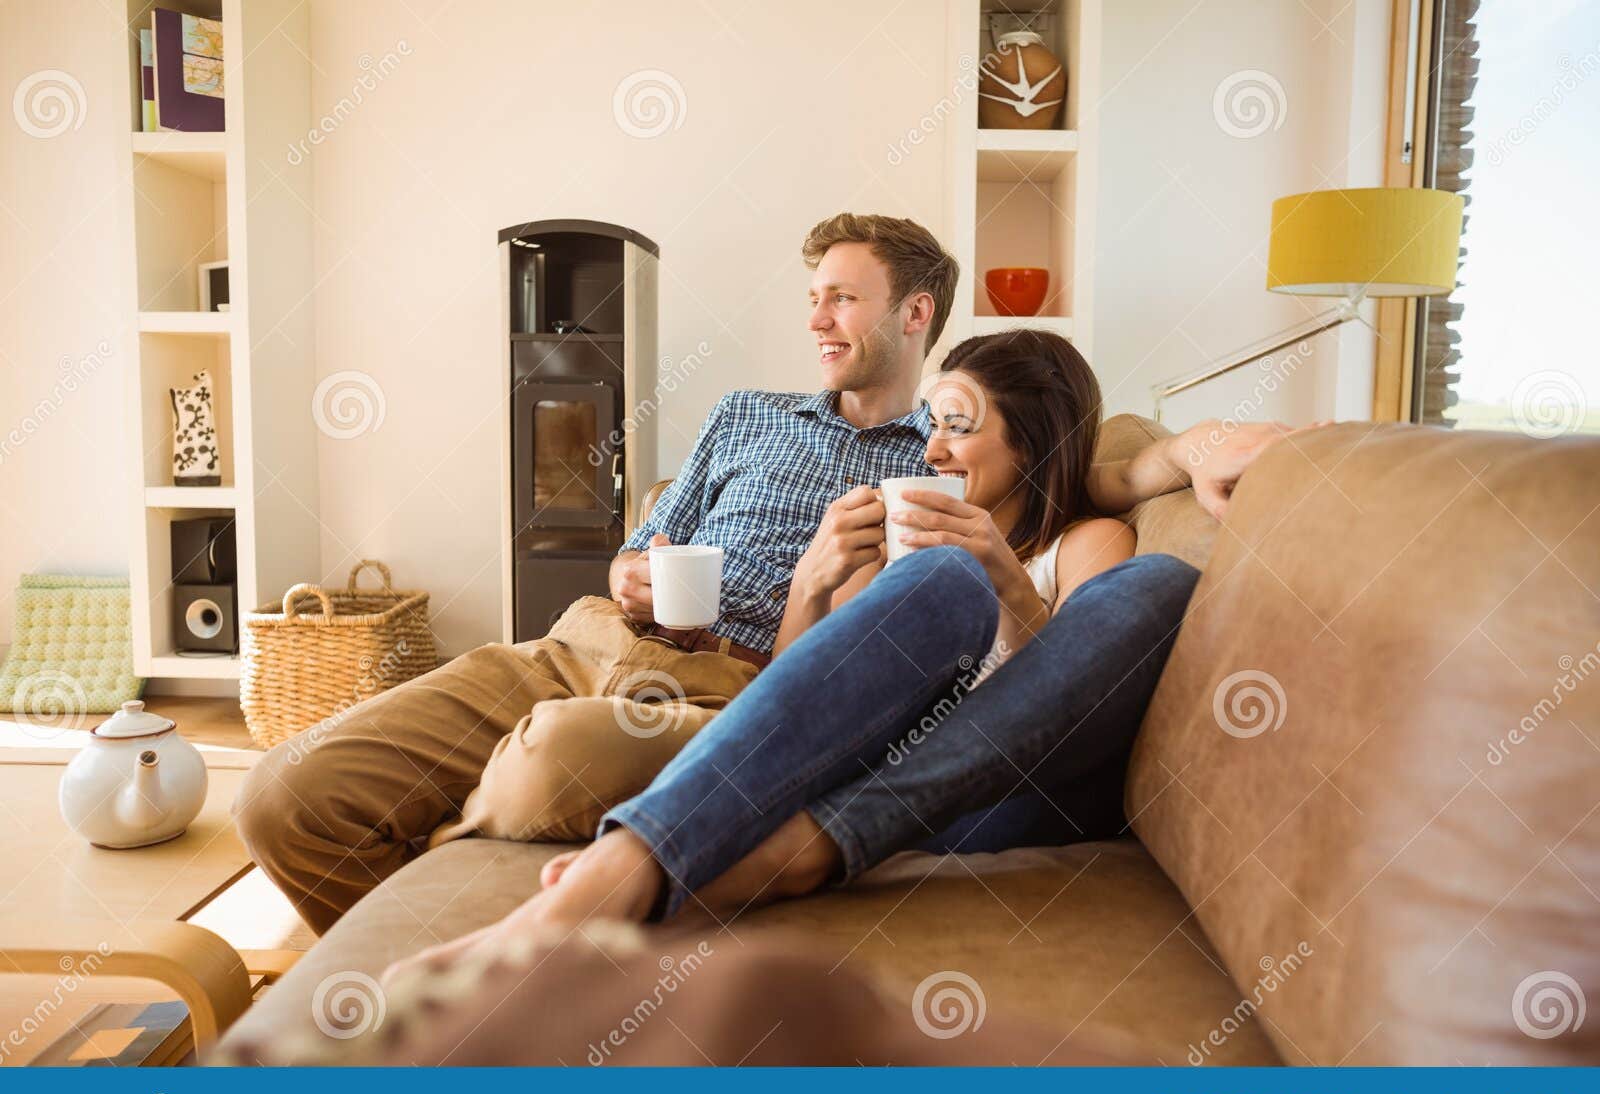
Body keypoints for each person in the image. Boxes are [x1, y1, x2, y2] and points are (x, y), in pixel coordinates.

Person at [234, 211, 1288, 937]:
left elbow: (1076, 470)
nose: (818, 317)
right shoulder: (743, 412)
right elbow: (645, 537)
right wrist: (635, 571)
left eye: (842, 297)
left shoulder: (947, 455)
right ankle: (414, 1018)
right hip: (582, 641)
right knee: (286, 796)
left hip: (735, 683)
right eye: (812, 296)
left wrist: (1179, 451)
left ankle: (534, 977)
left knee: (547, 763)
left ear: (915, 314)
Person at [383, 325, 1288, 981]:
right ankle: (646, 866)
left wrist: (1006, 578)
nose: (931, 446)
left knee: (1156, 590)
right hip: (881, 792)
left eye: (960, 425)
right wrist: (817, 582)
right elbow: (785, 704)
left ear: (1034, 441)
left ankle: (761, 854)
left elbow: (1085, 691)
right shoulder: (910, 560)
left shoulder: (1084, 542)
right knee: (942, 589)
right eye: (932, 421)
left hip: (1005, 795)